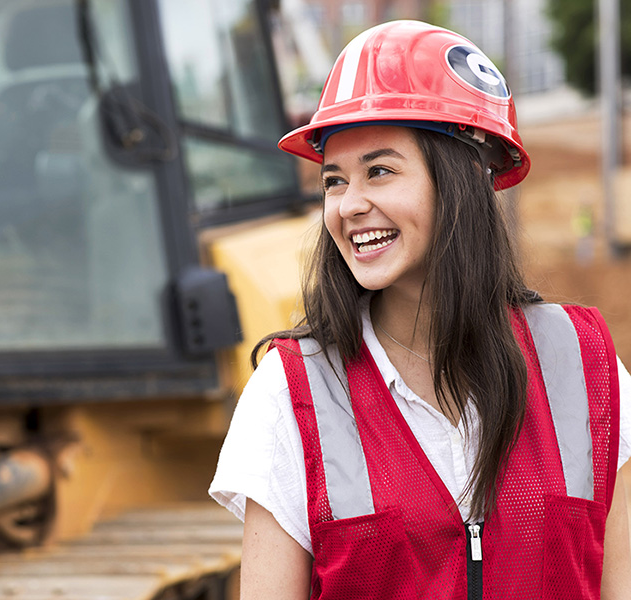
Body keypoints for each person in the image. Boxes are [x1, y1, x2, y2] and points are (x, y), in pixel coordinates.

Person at [210, 20, 631, 599]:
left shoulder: (587, 369)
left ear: (461, 181)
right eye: (334, 181)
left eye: (379, 172)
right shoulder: (293, 393)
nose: (348, 206)